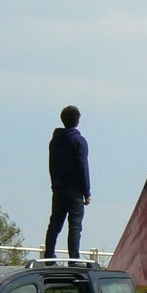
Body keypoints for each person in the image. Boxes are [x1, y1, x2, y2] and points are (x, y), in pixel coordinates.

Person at [43, 105, 91, 260]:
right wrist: (87, 191)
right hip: (74, 190)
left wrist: (54, 184)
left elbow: (51, 164)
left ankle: (49, 255)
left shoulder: (55, 141)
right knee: (75, 225)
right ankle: (74, 259)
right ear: (77, 120)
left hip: (58, 188)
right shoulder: (79, 141)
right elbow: (82, 167)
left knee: (55, 223)